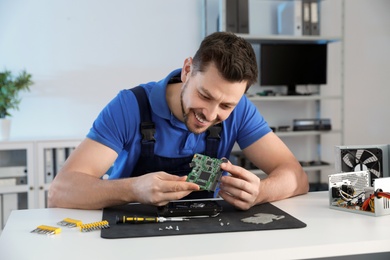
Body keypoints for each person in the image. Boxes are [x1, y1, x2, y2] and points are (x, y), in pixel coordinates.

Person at [48, 32, 309, 210]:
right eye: (205, 95)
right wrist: (134, 189)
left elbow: (295, 176)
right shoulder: (130, 106)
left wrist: (259, 192)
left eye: (226, 105)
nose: (210, 114)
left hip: (206, 234)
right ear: (187, 71)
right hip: (132, 234)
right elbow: (60, 191)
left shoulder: (240, 110)